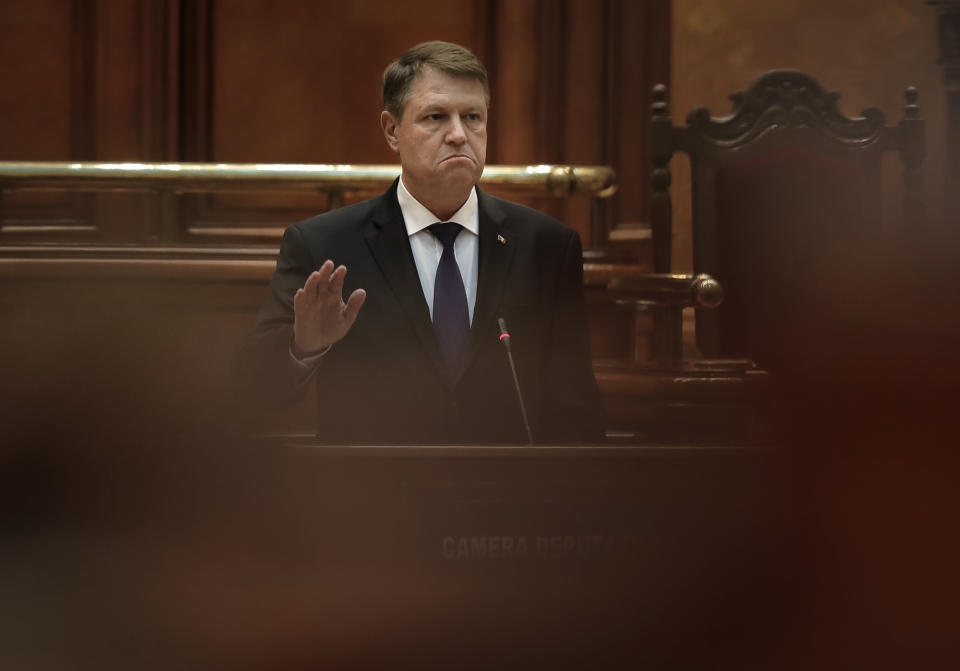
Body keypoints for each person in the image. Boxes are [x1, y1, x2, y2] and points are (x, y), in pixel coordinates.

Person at [239, 40, 602, 444]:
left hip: (506, 495)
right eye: (435, 117)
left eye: (473, 117)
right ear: (392, 130)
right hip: (372, 498)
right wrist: (303, 347)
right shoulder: (323, 245)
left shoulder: (547, 247)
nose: (459, 135)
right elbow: (257, 391)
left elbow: (576, 413)